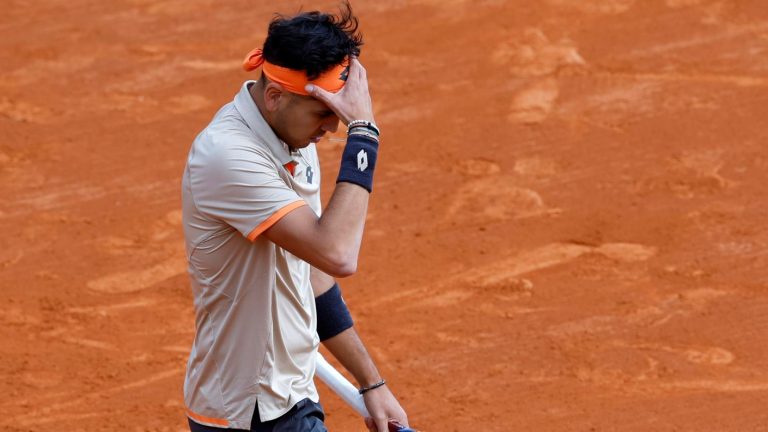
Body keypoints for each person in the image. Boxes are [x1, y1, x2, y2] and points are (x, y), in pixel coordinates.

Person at [180, 3, 409, 432]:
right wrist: (365, 134)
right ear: (274, 96)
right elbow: (338, 254)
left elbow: (314, 273)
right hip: (248, 411)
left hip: (291, 394)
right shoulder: (228, 156)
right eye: (324, 112)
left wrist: (371, 382)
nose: (333, 128)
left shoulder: (292, 137)